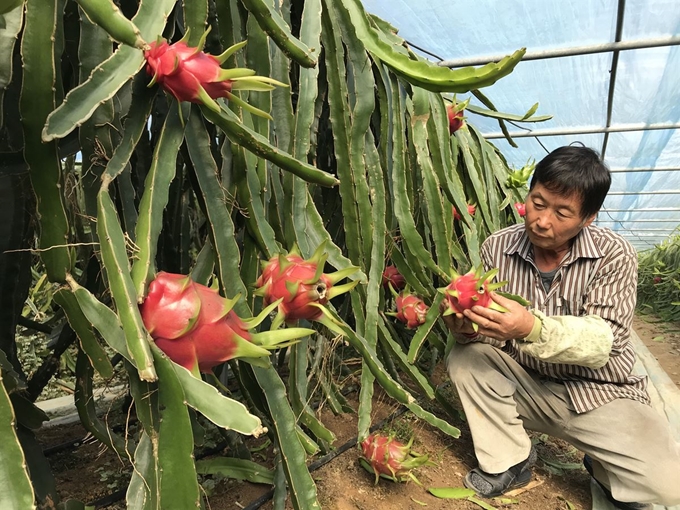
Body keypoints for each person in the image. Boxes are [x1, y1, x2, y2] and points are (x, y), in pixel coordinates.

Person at [442, 145, 680, 509]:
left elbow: (607, 340)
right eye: (538, 203)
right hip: (529, 382)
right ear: (529, 193)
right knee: (467, 356)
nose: (542, 221)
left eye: (562, 212)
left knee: (669, 488)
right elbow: (488, 336)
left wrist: (531, 327)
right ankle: (510, 460)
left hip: (603, 395)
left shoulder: (614, 254)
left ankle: (602, 466)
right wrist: (465, 327)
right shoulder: (498, 248)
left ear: (588, 218)